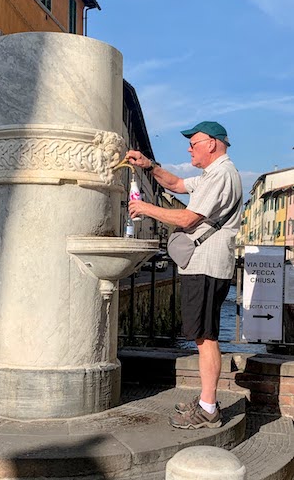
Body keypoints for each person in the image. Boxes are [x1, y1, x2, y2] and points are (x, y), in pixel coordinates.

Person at [127, 121, 242, 430]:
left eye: (194, 143)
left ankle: (208, 409)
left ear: (213, 144)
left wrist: (146, 208)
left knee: (206, 338)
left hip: (207, 264)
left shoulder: (222, 175)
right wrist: (149, 165)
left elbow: (188, 218)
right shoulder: (211, 175)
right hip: (201, 264)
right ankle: (207, 400)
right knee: (203, 335)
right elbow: (177, 185)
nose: (189, 148)